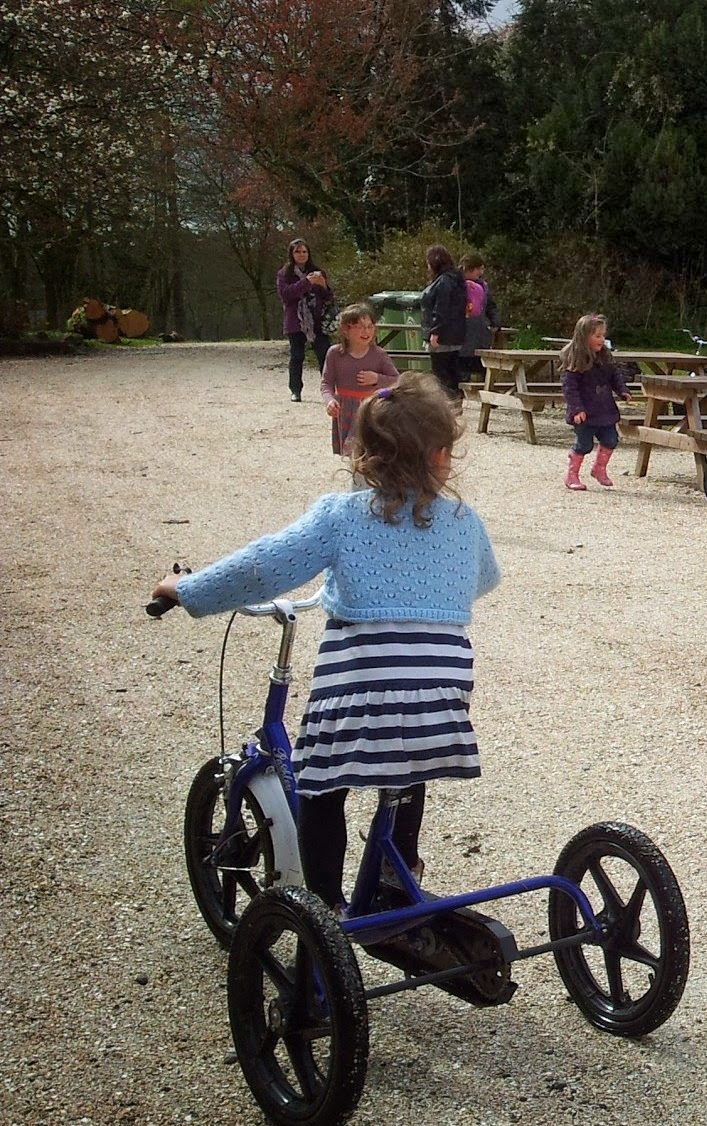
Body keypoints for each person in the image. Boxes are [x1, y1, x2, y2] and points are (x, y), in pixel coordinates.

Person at [150, 373, 500, 908]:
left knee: (319, 783)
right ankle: (393, 871)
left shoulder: (341, 516)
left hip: (359, 692)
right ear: (441, 454)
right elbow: (484, 579)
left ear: (364, 454)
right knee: (404, 766)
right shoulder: (463, 521)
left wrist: (187, 589)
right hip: (442, 700)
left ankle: (323, 909)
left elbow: (262, 566)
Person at [559, 312, 633, 491]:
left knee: (611, 439)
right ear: (584, 337)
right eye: (597, 335)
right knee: (584, 444)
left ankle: (599, 468)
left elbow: (614, 375)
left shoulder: (605, 357)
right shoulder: (576, 362)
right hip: (584, 413)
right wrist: (577, 409)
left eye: (603, 335)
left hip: (604, 409)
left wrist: (622, 390)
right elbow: (570, 388)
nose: (602, 339)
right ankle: (572, 474)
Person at [321, 302, 400, 456]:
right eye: (360, 327)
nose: (366, 331)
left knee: (370, 451)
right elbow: (326, 383)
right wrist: (329, 401)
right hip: (345, 412)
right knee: (352, 454)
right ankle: (356, 479)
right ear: (346, 330)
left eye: (370, 326)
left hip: (370, 410)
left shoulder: (379, 355)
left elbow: (397, 380)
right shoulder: (335, 354)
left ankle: (368, 479)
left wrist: (377, 378)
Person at [277, 238, 335, 402]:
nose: (301, 255)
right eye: (297, 252)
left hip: (316, 321)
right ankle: (295, 389)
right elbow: (286, 295)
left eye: (304, 252)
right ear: (291, 254)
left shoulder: (318, 271)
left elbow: (329, 298)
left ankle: (329, 389)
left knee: (325, 354)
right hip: (296, 320)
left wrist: (323, 285)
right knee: (297, 356)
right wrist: (306, 282)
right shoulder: (284, 274)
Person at [420, 244, 468, 407]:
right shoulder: (455, 280)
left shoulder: (444, 282)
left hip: (443, 335)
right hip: (455, 334)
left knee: (442, 374)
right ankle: (453, 406)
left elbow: (442, 308)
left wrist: (435, 331)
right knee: (451, 373)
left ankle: (446, 408)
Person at [458, 252, 501, 383]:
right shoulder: (455, 285)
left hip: (480, 337)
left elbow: (491, 307)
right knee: (462, 376)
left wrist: (495, 322)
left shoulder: (483, 287)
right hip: (461, 338)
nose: (481, 272)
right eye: (479, 268)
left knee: (485, 374)